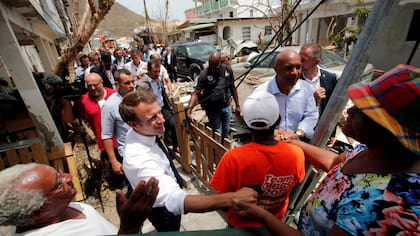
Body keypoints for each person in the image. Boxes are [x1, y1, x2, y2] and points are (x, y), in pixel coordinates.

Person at [232, 64, 420, 235]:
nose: (350, 111)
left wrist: (263, 216)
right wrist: (293, 142)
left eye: (362, 111)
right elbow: (337, 163)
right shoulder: (374, 151)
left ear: (387, 131)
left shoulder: (387, 205)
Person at [119, 90, 258, 232]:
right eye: (152, 118)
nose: (162, 120)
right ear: (133, 124)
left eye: (159, 112)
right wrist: (232, 199)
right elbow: (176, 201)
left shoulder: (142, 132)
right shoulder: (138, 160)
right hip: (162, 210)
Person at [210, 91, 305, 228]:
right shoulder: (296, 154)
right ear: (278, 120)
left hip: (240, 226)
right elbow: (296, 182)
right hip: (274, 225)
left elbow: (224, 203)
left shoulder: (233, 158)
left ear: (247, 125)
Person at [0, 163, 159, 235]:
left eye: (60, 173)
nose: (68, 177)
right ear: (36, 213)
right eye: (58, 184)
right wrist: (129, 228)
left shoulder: (59, 209)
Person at [255, 49, 318, 141]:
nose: (295, 72)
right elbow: (257, 121)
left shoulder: (306, 88)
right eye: (288, 68)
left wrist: (299, 133)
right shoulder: (261, 93)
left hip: (298, 143)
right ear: (276, 69)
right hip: (271, 145)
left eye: (298, 67)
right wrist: (275, 134)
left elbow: (311, 115)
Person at [187, 52, 240, 139]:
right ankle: (218, 152)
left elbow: (233, 88)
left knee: (226, 130)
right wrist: (190, 109)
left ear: (220, 63)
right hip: (213, 109)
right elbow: (196, 93)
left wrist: (237, 105)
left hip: (226, 106)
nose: (213, 70)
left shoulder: (227, 70)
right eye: (212, 67)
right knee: (217, 132)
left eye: (216, 68)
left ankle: (224, 150)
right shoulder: (204, 74)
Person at [101, 69, 135, 186]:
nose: (131, 86)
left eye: (132, 82)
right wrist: (114, 161)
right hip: (129, 153)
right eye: (127, 83)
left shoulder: (137, 98)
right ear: (117, 84)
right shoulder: (110, 105)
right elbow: (106, 135)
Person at [300, 43, 338, 143]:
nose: (299, 62)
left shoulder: (330, 78)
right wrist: (313, 100)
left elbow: (333, 108)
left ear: (316, 62)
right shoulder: (294, 78)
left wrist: (332, 132)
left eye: (303, 60)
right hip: (299, 133)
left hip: (319, 133)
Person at [138, 58, 177, 151]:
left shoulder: (158, 79)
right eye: (155, 71)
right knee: (157, 132)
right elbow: (142, 102)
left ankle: (175, 146)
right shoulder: (142, 85)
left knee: (173, 124)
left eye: (159, 71)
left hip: (162, 107)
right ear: (149, 70)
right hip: (152, 112)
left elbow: (162, 93)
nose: (157, 73)